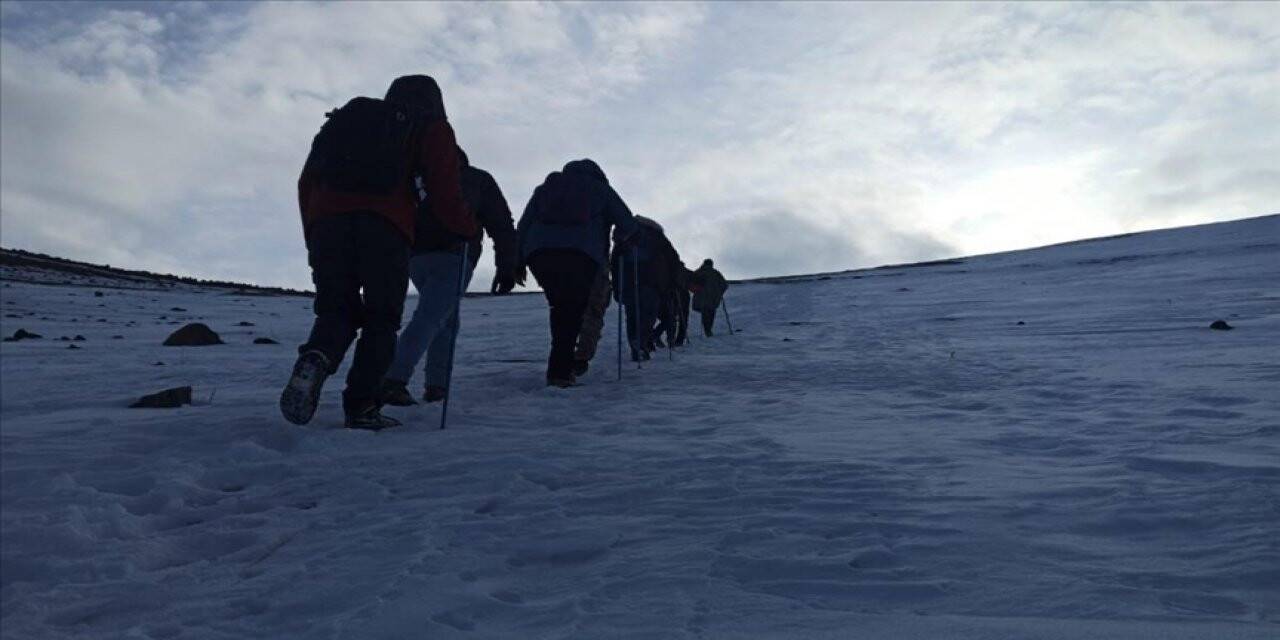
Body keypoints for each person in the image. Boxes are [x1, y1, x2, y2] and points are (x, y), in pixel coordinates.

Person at [281, 75, 476, 430]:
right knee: (381, 318)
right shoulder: (430, 126)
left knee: (335, 309)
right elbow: (444, 187)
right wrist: (465, 227)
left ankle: (318, 355)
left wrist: (314, 234)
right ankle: (361, 406)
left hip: (327, 223)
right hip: (386, 227)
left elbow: (306, 181)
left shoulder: (346, 120)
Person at [380, 146, 520, 406]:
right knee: (431, 317)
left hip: (415, 257)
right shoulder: (476, 179)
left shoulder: (416, 179)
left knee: (445, 319)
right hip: (456, 254)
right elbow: (501, 223)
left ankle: (437, 386)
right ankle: (393, 380)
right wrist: (506, 265)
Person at [517, 159, 637, 387]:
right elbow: (628, 224)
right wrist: (620, 240)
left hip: (540, 254)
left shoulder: (546, 188)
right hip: (582, 254)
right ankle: (561, 373)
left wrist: (517, 260)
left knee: (561, 307)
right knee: (571, 310)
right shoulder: (601, 189)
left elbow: (524, 225)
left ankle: (561, 369)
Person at [611, 216, 676, 361]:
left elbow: (614, 262)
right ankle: (641, 341)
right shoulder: (656, 234)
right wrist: (671, 282)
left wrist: (616, 287)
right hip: (652, 280)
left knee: (632, 316)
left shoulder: (623, 233)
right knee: (649, 313)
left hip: (627, 282)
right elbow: (672, 258)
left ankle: (637, 349)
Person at [689, 258, 728, 337]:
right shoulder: (715, 273)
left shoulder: (698, 272)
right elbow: (724, 284)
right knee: (711, 312)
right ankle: (708, 330)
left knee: (705, 313)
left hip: (700, 298)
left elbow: (690, 283)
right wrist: (719, 293)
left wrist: (695, 291)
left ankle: (707, 330)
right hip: (713, 298)